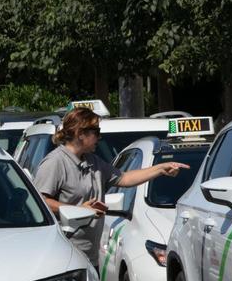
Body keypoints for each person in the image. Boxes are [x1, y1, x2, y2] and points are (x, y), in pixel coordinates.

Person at [33, 107, 188, 267]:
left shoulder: (93, 161)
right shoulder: (54, 162)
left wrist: (161, 168)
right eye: (96, 131)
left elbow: (124, 178)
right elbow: (41, 202)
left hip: (89, 258)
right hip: (64, 257)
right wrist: (78, 210)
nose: (99, 137)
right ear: (80, 134)